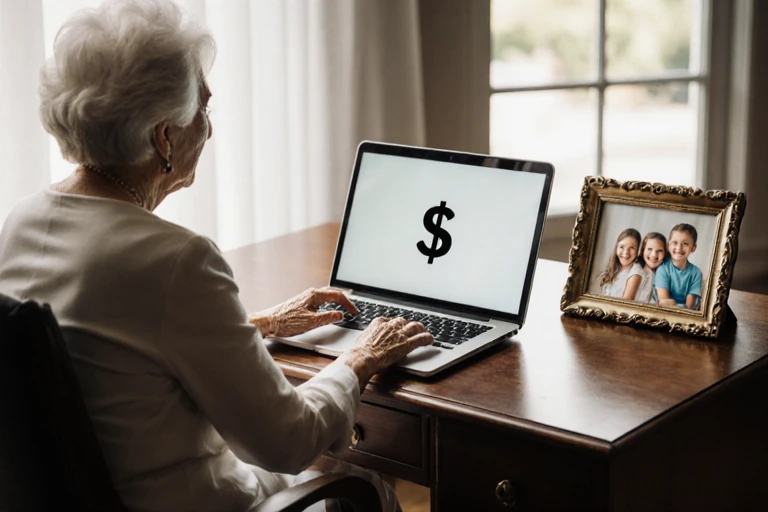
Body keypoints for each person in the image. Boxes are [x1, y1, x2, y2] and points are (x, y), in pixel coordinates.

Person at [0, 1, 432, 511]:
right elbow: (286, 442)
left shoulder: (20, 223)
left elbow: (115, 348)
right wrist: (361, 358)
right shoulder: (176, 260)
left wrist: (262, 324)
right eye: (203, 108)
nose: (209, 128)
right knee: (364, 480)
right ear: (163, 137)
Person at [591, 228, 647, 300]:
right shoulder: (616, 267)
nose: (626, 252)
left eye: (631, 248)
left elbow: (625, 303)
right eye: (621, 247)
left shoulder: (635, 272)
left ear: (637, 251)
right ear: (616, 247)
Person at [656, 223, 703, 309]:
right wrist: (673, 304)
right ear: (668, 245)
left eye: (685, 244)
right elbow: (664, 303)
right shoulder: (663, 269)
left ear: (693, 248)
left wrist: (674, 304)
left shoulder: (696, 272)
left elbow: (689, 306)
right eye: (675, 243)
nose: (679, 248)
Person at [634, 232, 667, 303]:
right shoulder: (638, 270)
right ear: (643, 250)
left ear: (665, 253)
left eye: (660, 251)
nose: (654, 255)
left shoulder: (662, 272)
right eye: (649, 249)